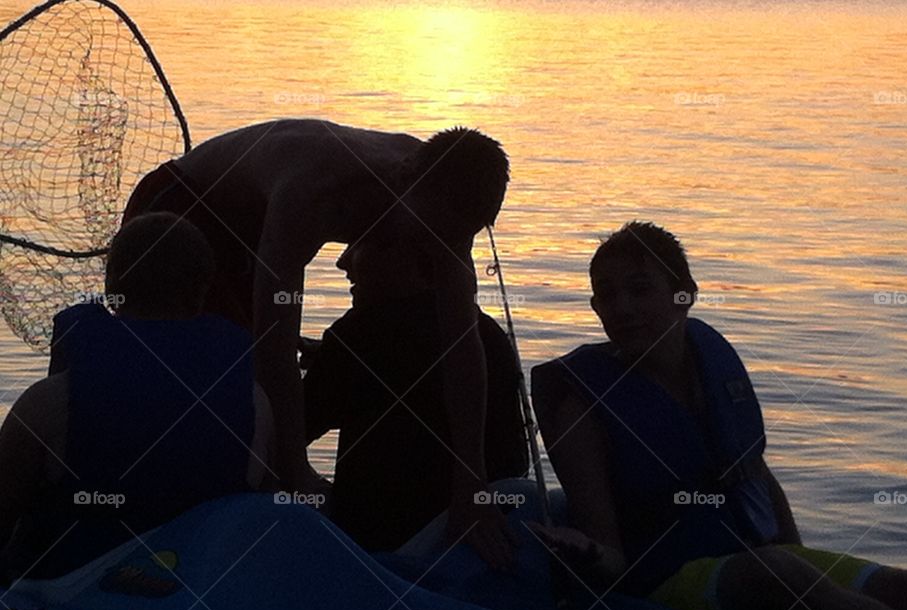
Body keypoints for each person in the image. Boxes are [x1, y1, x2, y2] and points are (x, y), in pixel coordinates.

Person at [529, 221, 907, 610]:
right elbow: (612, 558)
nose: (623, 308)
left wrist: (799, 561)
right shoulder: (583, 408)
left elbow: (756, 474)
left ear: (684, 296)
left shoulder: (711, 362)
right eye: (607, 296)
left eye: (639, 290)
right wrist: (587, 551)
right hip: (666, 582)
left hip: (760, 567)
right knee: (775, 571)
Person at [121, 119, 517, 568]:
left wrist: (472, 480)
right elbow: (274, 349)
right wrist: (297, 473)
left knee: (249, 395)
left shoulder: (446, 206)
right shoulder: (317, 190)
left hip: (254, 231)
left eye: (450, 240)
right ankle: (153, 529)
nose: (437, 250)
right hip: (184, 206)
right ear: (404, 180)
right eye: (426, 236)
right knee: (211, 371)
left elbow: (462, 349)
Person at [0, 213, 273, 582]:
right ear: (204, 289)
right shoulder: (254, 403)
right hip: (193, 607)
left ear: (112, 286)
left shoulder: (49, 402)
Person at [300, 231, 529, 552]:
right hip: (480, 545)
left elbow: (289, 433)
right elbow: (514, 460)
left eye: (361, 242)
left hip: (376, 548)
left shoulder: (360, 334)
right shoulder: (487, 335)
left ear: (413, 259)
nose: (343, 262)